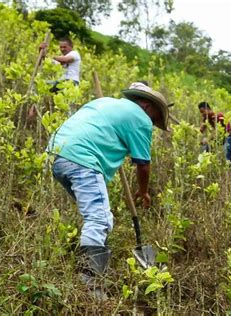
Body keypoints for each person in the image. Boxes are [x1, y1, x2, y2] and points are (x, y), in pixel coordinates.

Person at [47, 82, 171, 296]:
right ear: (147, 106)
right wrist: (143, 192)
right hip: (83, 160)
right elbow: (143, 164)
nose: (151, 123)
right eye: (154, 119)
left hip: (57, 156)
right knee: (100, 219)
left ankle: (91, 261)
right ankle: (90, 284)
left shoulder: (105, 103)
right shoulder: (141, 118)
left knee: (96, 218)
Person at [198, 101, 231, 167]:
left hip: (227, 136)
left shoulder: (218, 116)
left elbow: (219, 132)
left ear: (208, 109)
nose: (202, 114)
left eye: (203, 112)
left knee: (227, 152)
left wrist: (208, 139)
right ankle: (206, 166)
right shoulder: (206, 119)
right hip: (218, 137)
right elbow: (200, 130)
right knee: (206, 148)